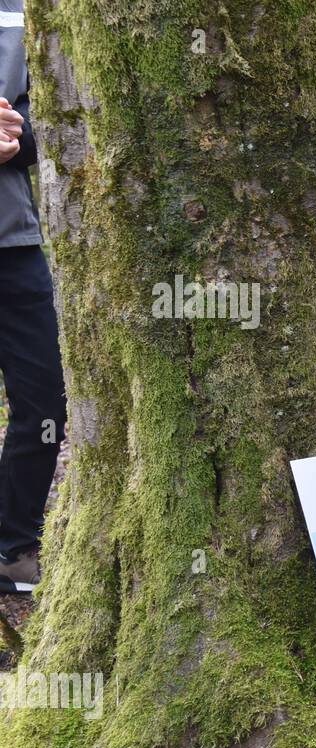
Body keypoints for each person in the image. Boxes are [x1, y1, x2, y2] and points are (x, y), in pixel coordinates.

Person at [0, 0, 67, 592]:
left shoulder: (28, 11)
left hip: (12, 246)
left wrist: (17, 141)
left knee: (44, 406)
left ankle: (11, 547)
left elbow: (65, 116)